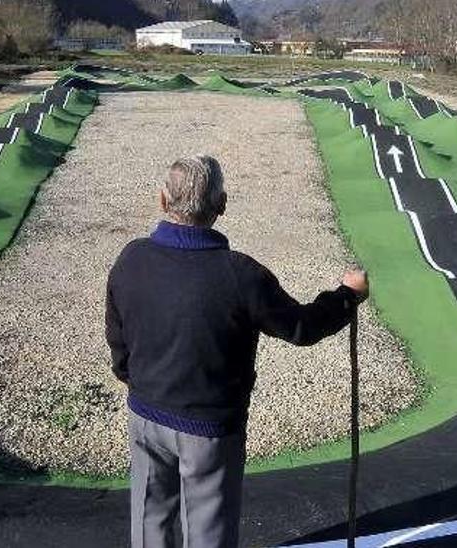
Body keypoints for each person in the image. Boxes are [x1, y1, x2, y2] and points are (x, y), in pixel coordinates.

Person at [105, 155, 369, 548]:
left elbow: (118, 338)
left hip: (145, 412)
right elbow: (301, 327)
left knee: (149, 519)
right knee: (208, 531)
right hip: (209, 428)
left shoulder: (131, 258)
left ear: (163, 200)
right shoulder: (240, 274)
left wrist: (134, 379)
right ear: (221, 205)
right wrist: (348, 296)